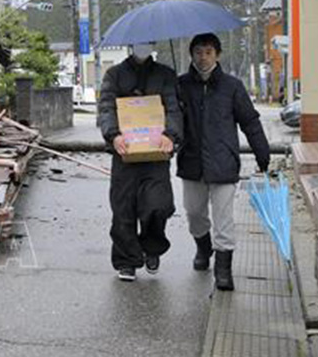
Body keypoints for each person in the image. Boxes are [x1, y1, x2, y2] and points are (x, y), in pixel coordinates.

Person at [177, 33, 271, 291]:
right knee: (194, 213)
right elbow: (170, 121)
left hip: (224, 162)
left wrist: (262, 153)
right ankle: (203, 247)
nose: (203, 57)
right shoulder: (181, 85)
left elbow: (249, 121)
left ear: (217, 55)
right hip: (192, 162)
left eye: (208, 52)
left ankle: (223, 270)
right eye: (198, 52)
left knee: (224, 219)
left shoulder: (232, 86)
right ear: (191, 55)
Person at [97, 42, 182, 282]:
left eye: (148, 42)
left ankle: (151, 247)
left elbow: (174, 109)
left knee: (158, 205)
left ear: (154, 45)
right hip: (124, 153)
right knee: (123, 209)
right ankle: (127, 260)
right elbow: (106, 107)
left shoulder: (165, 74)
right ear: (131, 45)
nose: (143, 47)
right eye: (139, 43)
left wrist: (170, 135)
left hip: (156, 154)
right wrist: (113, 134)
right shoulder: (114, 75)